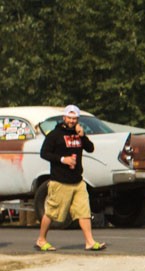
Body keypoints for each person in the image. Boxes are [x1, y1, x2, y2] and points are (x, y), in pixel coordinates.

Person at [35, 104, 105, 251]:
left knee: (84, 211)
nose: (72, 121)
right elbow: (44, 153)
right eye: (69, 118)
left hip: (78, 181)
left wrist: (83, 135)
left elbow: (90, 148)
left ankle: (90, 241)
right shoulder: (55, 134)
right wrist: (62, 159)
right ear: (64, 118)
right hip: (60, 181)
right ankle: (41, 240)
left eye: (75, 118)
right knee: (52, 213)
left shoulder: (78, 133)